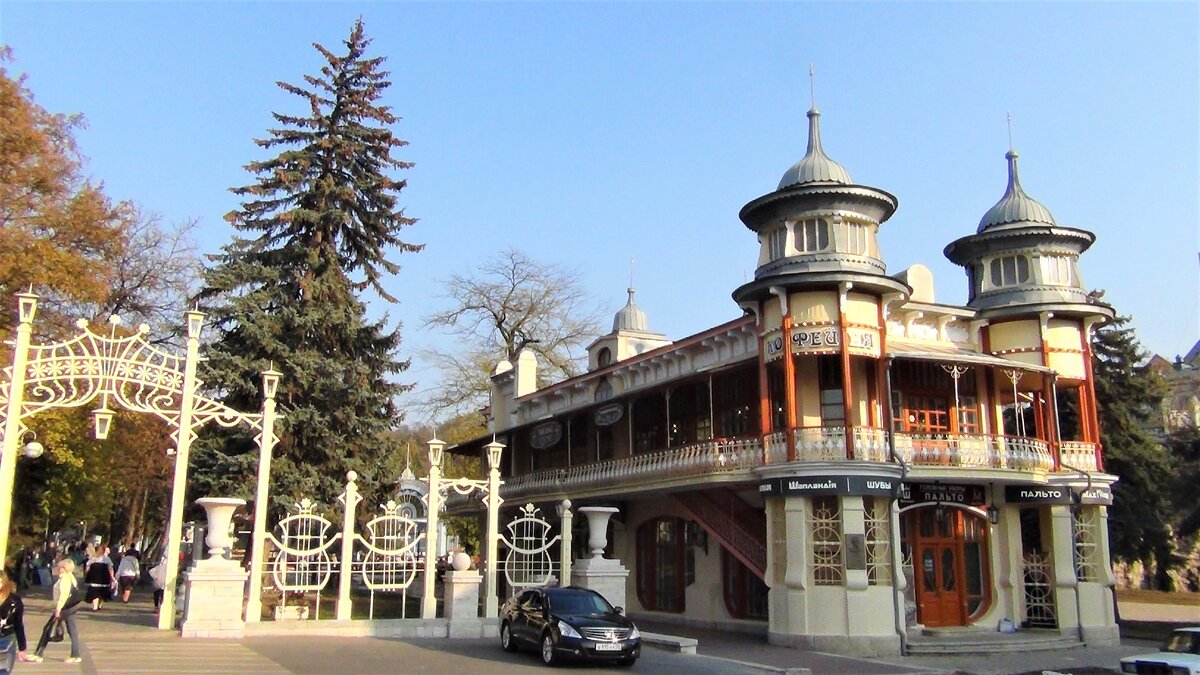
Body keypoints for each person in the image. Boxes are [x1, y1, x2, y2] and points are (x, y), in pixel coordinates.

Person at [32, 559, 81, 664]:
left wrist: (58, 609)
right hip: (71, 607)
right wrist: (47, 607)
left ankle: (38, 654)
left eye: (61, 567)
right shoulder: (70, 577)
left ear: (65, 568)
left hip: (65, 607)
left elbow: (63, 596)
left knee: (48, 628)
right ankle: (75, 654)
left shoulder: (65, 579)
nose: (58, 569)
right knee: (72, 631)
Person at [0, 569, 35, 668]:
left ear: (4, 583)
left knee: (3, 671)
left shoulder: (14, 600)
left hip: (6, 639)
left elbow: (18, 624)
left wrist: (22, 647)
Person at [83, 545, 114, 611]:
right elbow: (110, 568)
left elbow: (87, 568)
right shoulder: (107, 559)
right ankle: (99, 605)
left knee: (95, 592)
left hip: (94, 577)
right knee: (102, 591)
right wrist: (112, 577)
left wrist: (86, 574)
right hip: (104, 577)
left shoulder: (92, 559)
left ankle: (95, 607)